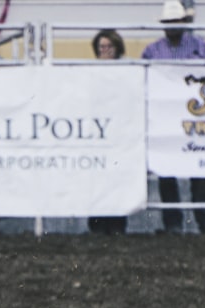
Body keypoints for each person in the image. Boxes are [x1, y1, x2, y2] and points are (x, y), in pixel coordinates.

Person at [142, 0, 205, 235]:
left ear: (184, 22)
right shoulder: (151, 51)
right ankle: (173, 223)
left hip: (195, 117)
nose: (172, 26)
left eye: (176, 21)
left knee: (200, 169)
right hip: (164, 117)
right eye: (169, 22)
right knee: (167, 170)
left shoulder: (202, 47)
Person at [87, 28, 130, 235]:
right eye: (101, 47)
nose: (105, 50)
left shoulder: (127, 71)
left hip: (119, 132)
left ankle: (117, 224)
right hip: (97, 132)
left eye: (108, 46)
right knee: (96, 180)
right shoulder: (91, 72)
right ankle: (97, 225)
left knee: (117, 179)